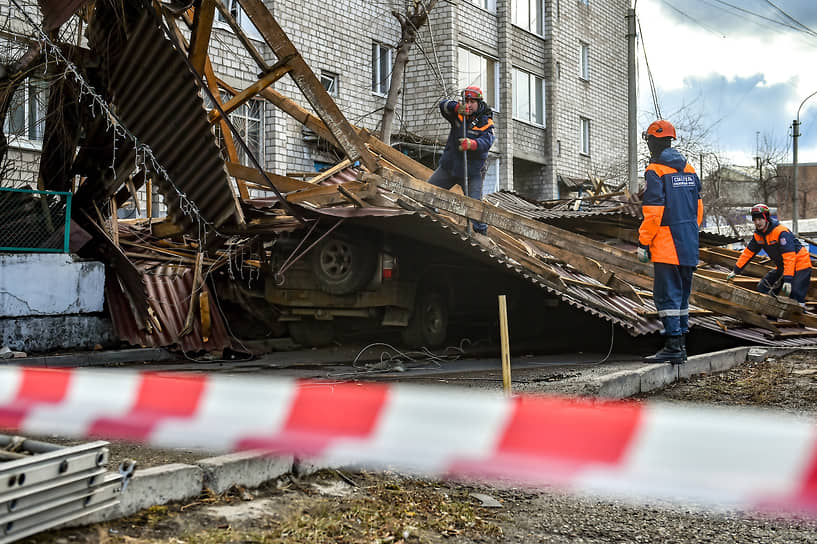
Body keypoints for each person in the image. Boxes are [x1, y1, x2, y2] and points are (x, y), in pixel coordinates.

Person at [637, 119, 703, 365]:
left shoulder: (655, 170)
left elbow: (654, 213)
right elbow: (698, 210)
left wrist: (644, 242)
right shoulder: (690, 169)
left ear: (653, 141)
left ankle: (673, 345)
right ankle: (681, 345)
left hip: (667, 246)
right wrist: (688, 233)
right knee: (682, 297)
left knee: (667, 297)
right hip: (688, 244)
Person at [428, 85, 495, 234]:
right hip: (450, 167)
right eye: (466, 101)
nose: (469, 105)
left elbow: (487, 142)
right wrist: (457, 107)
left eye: (472, 102)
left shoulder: (486, 122)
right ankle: (431, 216)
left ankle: (481, 234)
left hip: (472, 173)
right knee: (427, 193)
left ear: (479, 103)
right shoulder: (458, 114)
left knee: (475, 208)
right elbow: (443, 105)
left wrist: (472, 144)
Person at [726, 203, 812, 304]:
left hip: (800, 265)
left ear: (766, 218)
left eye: (760, 219)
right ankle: (770, 311)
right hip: (783, 267)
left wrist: (788, 280)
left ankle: (801, 311)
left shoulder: (781, 232)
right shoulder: (758, 235)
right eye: (755, 220)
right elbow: (748, 253)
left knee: (796, 294)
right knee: (763, 287)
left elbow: (789, 257)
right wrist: (736, 270)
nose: (757, 222)